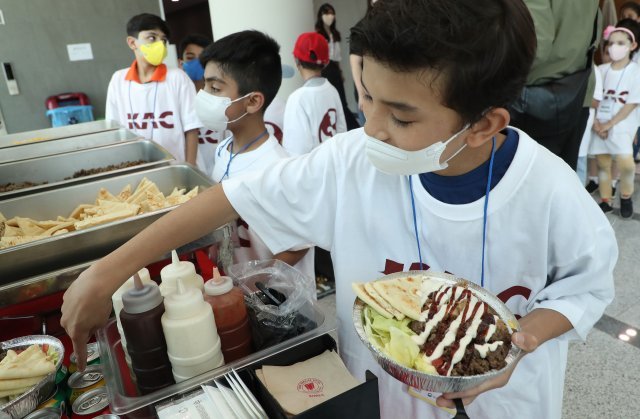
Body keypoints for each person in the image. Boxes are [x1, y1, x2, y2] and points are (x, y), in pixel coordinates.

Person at [61, 1, 617, 418]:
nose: (372, 127)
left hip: (509, 404)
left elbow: (585, 286)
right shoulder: (352, 162)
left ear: (484, 124)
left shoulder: (548, 191)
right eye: (366, 97)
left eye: (401, 117)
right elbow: (229, 198)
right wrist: (105, 271)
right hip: (386, 403)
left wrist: (525, 342)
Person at [194, 30, 315, 283]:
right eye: (205, 84)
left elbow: (300, 244)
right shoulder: (223, 149)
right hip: (235, 288)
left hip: (274, 303)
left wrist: (252, 284)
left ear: (252, 102)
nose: (204, 95)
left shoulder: (279, 168)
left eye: (215, 88)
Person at [508, 0, 600, 170]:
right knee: (561, 181)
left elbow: (534, 45)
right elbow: (597, 29)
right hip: (579, 90)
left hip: (532, 96)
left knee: (521, 182)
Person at [105, 13, 201, 165]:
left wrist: (189, 167)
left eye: (163, 40)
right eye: (152, 37)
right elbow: (114, 129)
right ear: (132, 43)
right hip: (135, 165)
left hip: (176, 165)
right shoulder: (118, 80)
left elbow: (192, 129)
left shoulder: (178, 78)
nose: (159, 44)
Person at [590, 20, 640, 218]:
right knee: (602, 163)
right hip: (599, 125)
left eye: (620, 43)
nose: (614, 47)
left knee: (626, 164)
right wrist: (597, 125)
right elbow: (592, 99)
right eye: (611, 43)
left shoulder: (636, 71)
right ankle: (605, 200)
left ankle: (625, 196)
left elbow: (631, 104)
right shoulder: (601, 70)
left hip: (621, 125)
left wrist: (608, 125)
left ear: (632, 46)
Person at [282, 32, 346, 155]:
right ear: (326, 63)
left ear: (296, 61)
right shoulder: (332, 91)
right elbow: (342, 131)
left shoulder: (297, 99)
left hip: (314, 172)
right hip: (335, 163)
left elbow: (295, 151)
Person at [315, 3, 360, 130]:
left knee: (341, 101)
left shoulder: (335, 33)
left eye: (332, 13)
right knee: (329, 100)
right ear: (321, 15)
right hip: (324, 69)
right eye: (327, 13)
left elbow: (338, 56)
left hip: (334, 68)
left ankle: (351, 127)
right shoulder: (318, 34)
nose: (330, 16)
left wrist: (340, 72)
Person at [350, 0, 378, 125]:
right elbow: (355, 62)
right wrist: (361, 93)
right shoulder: (362, 28)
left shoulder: (397, 26)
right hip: (368, 92)